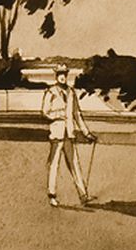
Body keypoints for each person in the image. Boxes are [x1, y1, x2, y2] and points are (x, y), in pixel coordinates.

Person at [40, 64, 95, 207]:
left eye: (64, 73)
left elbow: (77, 114)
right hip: (57, 133)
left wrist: (86, 132)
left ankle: (83, 195)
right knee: (54, 164)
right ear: (56, 76)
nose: (62, 76)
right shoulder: (51, 92)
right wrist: (59, 115)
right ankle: (52, 194)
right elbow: (45, 112)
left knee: (74, 164)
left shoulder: (71, 92)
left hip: (69, 134)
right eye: (60, 74)